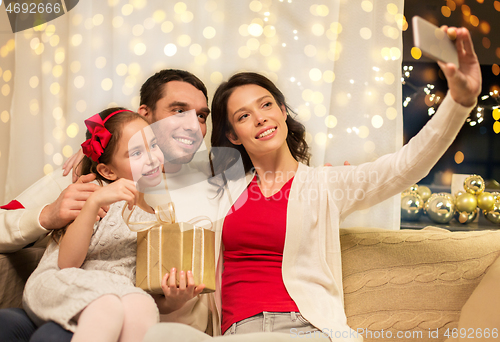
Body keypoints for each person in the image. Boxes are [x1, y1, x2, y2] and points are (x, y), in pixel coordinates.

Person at [142, 26, 484, 342]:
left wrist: (459, 102)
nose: (260, 117)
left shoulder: (325, 184)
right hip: (238, 333)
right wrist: (92, 168)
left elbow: (405, 167)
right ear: (232, 135)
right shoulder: (217, 191)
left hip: (306, 330)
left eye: (266, 105)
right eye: (244, 115)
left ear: (282, 111)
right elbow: (158, 188)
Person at [0, 69, 212, 342]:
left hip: (146, 315)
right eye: (178, 111)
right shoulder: (85, 178)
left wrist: (173, 300)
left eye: (201, 116)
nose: (193, 125)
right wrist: (48, 215)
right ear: (145, 115)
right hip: (75, 298)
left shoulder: (211, 189)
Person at [23, 108, 164, 342]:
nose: (152, 158)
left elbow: (147, 281)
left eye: (154, 144)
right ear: (107, 171)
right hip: (60, 282)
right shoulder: (94, 193)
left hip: (121, 290)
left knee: (143, 306)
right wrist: (93, 202)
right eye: (136, 152)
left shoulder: (157, 217)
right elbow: (67, 263)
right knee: (106, 305)